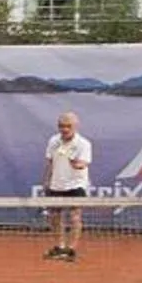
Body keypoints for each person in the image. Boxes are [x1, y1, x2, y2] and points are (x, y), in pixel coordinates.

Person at [43, 111, 93, 261]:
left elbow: (84, 163)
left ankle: (71, 249)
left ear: (75, 126)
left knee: (75, 216)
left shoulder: (83, 144)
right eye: (61, 126)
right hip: (56, 184)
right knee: (54, 217)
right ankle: (60, 246)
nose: (64, 129)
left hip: (76, 184)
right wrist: (47, 180)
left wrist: (77, 165)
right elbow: (50, 162)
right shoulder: (53, 141)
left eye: (68, 126)